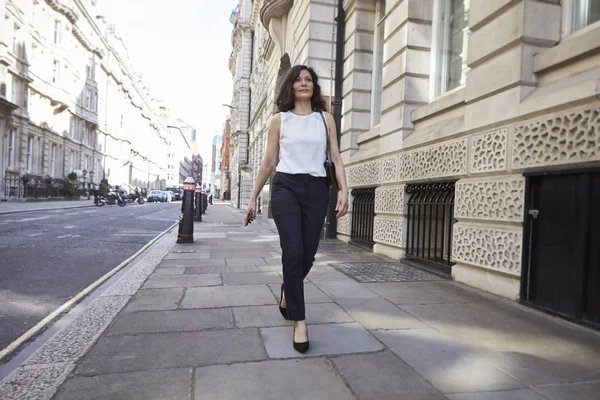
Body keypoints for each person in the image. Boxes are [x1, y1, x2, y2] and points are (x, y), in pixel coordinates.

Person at [243, 65, 349, 353]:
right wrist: (253, 198)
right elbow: (268, 161)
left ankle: (288, 292)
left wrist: (344, 190)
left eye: (309, 80)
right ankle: (300, 321)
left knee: (308, 254)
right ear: (290, 86)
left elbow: (336, 158)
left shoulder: (325, 119)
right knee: (293, 251)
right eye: (299, 80)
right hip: (286, 188)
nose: (304, 84)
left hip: (316, 190)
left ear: (314, 87)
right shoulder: (280, 120)